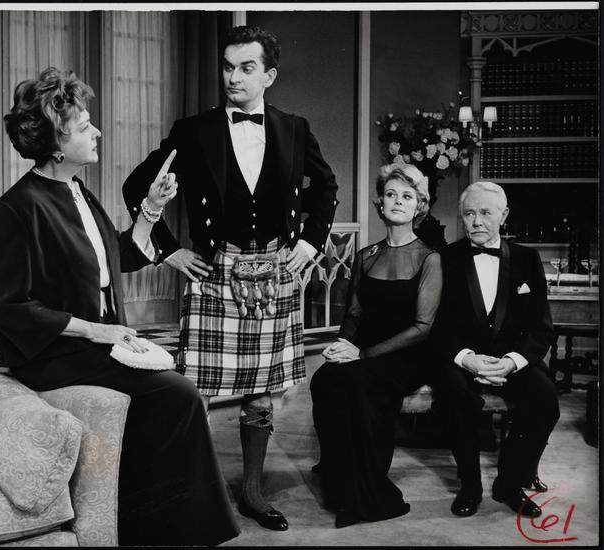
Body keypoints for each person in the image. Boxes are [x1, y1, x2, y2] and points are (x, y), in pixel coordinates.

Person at [0, 67, 239, 546]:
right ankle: (183, 533)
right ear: (56, 144)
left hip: (95, 343)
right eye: (85, 126)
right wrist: (96, 331)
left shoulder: (78, 191)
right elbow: (10, 306)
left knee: (171, 392)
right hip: (53, 355)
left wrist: (151, 208)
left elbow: (112, 260)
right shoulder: (16, 208)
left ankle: (148, 526)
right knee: (180, 394)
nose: (97, 131)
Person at [122, 25, 338, 531]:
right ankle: (190, 490)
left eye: (246, 68)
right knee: (193, 388)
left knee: (262, 390)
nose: (233, 77)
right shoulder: (193, 130)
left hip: (275, 271)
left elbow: (326, 188)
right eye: (227, 66)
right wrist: (169, 251)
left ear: (269, 75)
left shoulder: (294, 128)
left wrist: (309, 244)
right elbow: (137, 186)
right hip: (216, 270)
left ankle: (254, 491)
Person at [310, 163, 442, 528]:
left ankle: (366, 494)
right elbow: (354, 313)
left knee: (357, 381)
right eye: (391, 194)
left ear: (419, 206)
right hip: (364, 351)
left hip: (408, 356)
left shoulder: (429, 258)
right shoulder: (365, 255)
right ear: (380, 203)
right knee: (324, 379)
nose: (398, 201)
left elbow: (422, 328)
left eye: (407, 196)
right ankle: (340, 481)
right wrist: (342, 344)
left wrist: (362, 354)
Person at [432, 181, 559, 519]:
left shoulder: (528, 259)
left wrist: (511, 362)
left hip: (510, 361)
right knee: (454, 395)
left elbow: (541, 327)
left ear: (504, 215)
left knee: (545, 399)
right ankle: (470, 485)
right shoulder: (444, 259)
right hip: (462, 360)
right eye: (469, 213)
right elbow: (436, 325)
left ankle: (509, 484)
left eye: (486, 213)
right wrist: (467, 359)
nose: (476, 221)